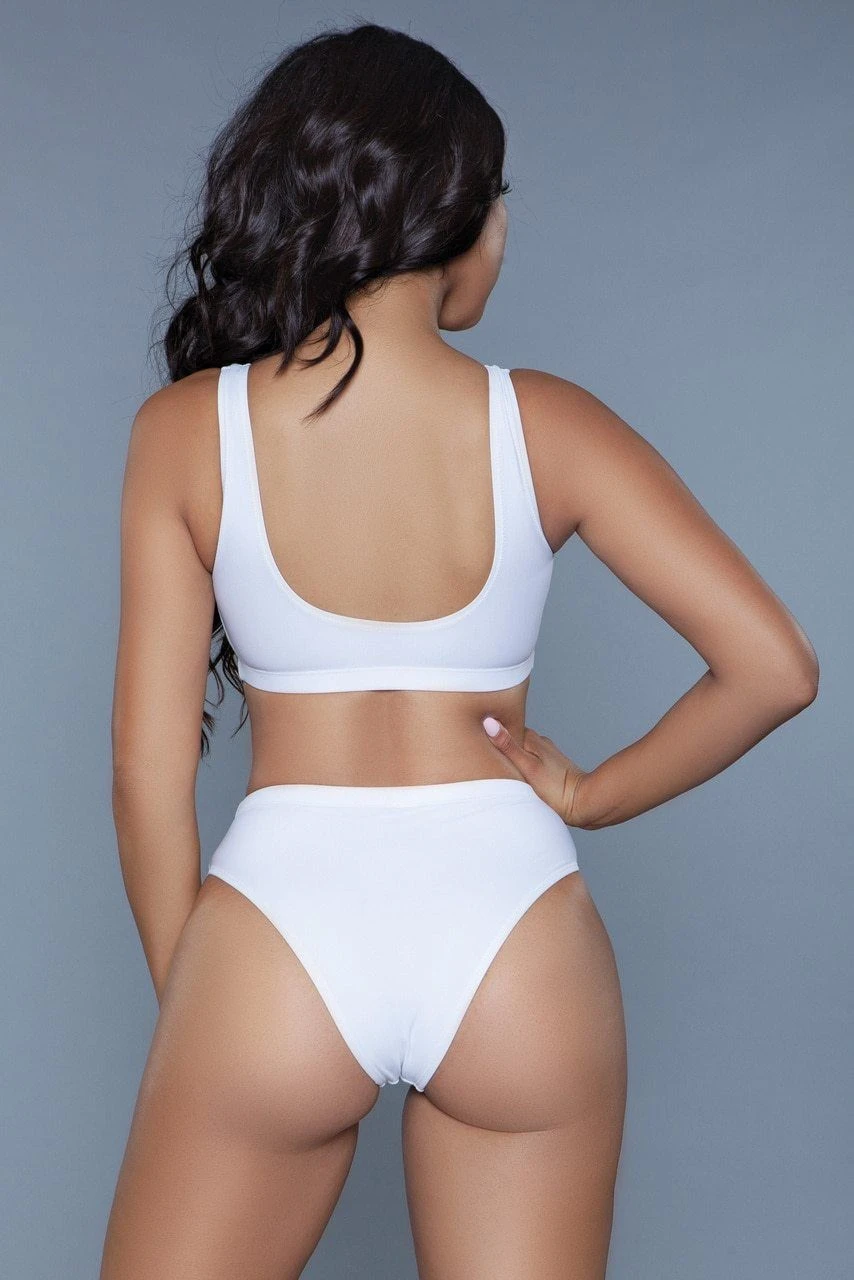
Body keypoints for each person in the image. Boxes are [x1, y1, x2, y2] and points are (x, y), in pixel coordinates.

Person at [100, 20, 819, 1280]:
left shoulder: (184, 431)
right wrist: (593, 793)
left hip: (276, 924)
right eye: (497, 200)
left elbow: (146, 777)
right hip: (514, 929)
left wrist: (201, 1011)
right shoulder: (547, 423)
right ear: (450, 216)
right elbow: (774, 666)